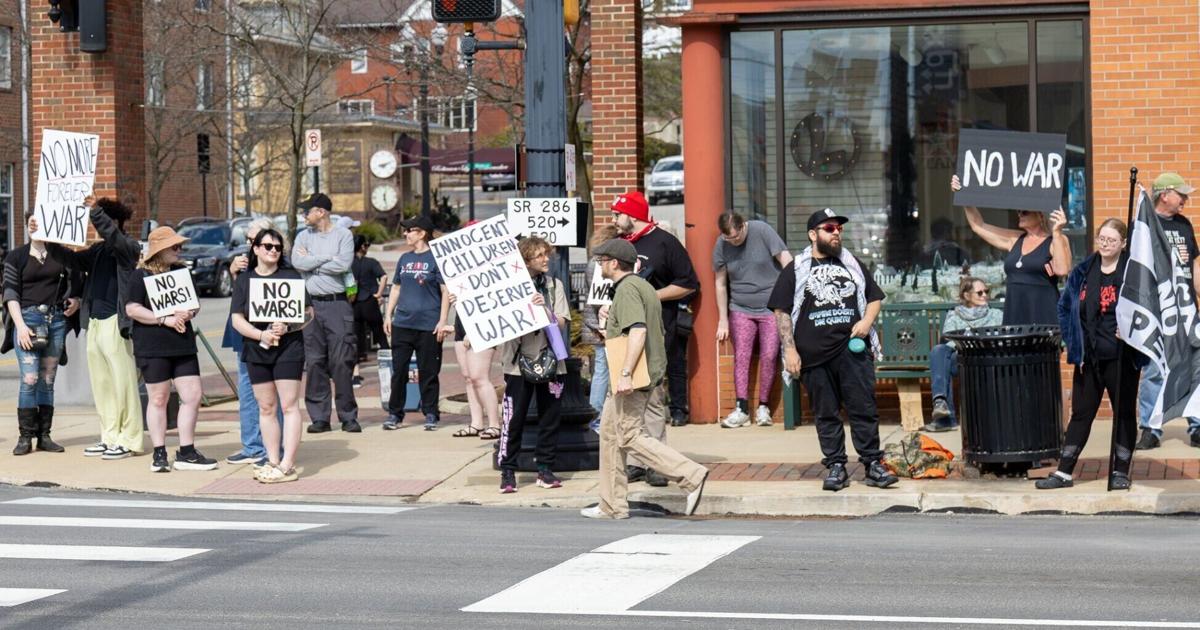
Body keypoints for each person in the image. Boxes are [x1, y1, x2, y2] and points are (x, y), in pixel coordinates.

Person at [768, 208, 899, 492]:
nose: (836, 232)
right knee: (826, 413)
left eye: (839, 228)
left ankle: (872, 465)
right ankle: (837, 466)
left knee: (863, 409)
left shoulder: (851, 264)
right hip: (814, 356)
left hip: (852, 352)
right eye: (829, 228)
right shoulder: (797, 268)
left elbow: (874, 297)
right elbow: (781, 311)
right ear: (813, 234)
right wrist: (790, 351)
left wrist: (866, 322)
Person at [581, 238, 708, 519]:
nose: (599, 264)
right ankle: (612, 505)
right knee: (611, 434)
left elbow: (637, 331)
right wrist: (609, 320)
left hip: (632, 375)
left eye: (602, 260)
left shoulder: (627, 290)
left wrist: (625, 373)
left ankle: (691, 475)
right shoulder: (641, 287)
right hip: (638, 372)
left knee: (628, 435)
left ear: (614, 263)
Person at [38, 197, 144, 459]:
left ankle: (129, 440)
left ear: (115, 221)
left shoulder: (128, 247)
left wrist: (95, 210)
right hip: (95, 322)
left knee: (123, 384)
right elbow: (70, 260)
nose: (97, 226)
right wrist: (48, 237)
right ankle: (109, 436)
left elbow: (114, 237)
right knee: (102, 384)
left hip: (115, 324)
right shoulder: (97, 251)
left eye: (102, 220)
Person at [1037, 219, 1139, 490]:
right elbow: (1064, 309)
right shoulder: (1083, 271)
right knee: (1081, 414)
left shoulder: (1133, 273)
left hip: (1121, 357)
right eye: (1101, 239)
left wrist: (1131, 330)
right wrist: (1074, 346)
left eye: (1111, 240)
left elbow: (1147, 310)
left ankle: (1120, 471)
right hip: (1089, 358)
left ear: (1123, 244)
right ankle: (1064, 472)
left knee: (1124, 414)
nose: (1105, 244)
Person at [611, 190, 697, 487]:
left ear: (632, 215)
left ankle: (657, 464)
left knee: (653, 398)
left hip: (657, 330)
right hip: (625, 332)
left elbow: (688, 283)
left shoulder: (664, 242)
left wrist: (650, 297)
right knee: (629, 397)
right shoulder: (622, 245)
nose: (613, 219)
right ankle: (636, 461)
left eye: (617, 213)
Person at [125, 227, 214, 472]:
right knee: (159, 398)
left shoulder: (181, 272)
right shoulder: (139, 276)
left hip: (182, 343)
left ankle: (187, 451)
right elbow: (132, 309)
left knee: (193, 396)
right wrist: (163, 318)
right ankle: (159, 452)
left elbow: (194, 304)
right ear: (160, 250)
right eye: (174, 247)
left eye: (179, 246)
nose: (179, 250)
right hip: (152, 344)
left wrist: (190, 312)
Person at [230, 229, 307, 483]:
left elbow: (308, 313)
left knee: (289, 405)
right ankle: (272, 460)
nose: (273, 250)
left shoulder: (291, 277)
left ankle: (287, 465)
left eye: (277, 247)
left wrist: (288, 326)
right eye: (267, 246)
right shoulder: (245, 280)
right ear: (256, 249)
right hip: (257, 350)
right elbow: (237, 318)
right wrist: (259, 335)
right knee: (266, 407)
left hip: (289, 349)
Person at [494, 237, 570, 493]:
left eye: (546, 254)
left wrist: (545, 310)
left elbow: (561, 322)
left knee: (550, 417)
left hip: (550, 360)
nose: (545, 259)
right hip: (517, 363)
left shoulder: (553, 286)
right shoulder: (509, 287)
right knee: (513, 418)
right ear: (525, 259)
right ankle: (507, 471)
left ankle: (545, 469)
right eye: (538, 255)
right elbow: (495, 319)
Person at [3, 212, 82, 455]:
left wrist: (76, 300)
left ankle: (44, 436)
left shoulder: (61, 254)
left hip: (56, 319)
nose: (35, 226)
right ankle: (25, 437)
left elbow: (78, 282)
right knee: (29, 379)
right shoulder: (16, 257)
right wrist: (20, 326)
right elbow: (10, 294)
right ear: (27, 226)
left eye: (40, 222)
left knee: (47, 380)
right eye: (31, 223)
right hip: (27, 319)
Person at [1135, 172, 1200, 451]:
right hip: (1158, 308)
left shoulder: (1184, 224)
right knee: (1154, 369)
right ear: (1165, 195)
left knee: (1195, 366)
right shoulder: (1146, 224)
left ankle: (1197, 425)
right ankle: (1150, 428)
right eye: (1181, 194)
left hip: (1186, 308)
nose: (1185, 199)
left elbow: (1195, 264)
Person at [952, 175, 1071, 325]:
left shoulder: (1056, 240)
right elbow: (978, 226)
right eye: (1019, 211)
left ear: (1040, 215)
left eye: (1025, 212)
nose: (1020, 214)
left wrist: (1057, 232)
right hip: (1016, 309)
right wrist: (964, 195)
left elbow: (1062, 270)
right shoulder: (1015, 239)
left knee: (1042, 348)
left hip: (1043, 309)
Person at [712, 210, 793, 428]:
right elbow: (720, 283)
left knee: (769, 354)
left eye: (736, 237)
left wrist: (790, 295)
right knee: (742, 356)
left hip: (770, 307)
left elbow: (786, 260)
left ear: (744, 226)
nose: (733, 242)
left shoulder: (762, 230)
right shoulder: (722, 244)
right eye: (728, 238)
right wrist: (722, 319)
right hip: (740, 306)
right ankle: (741, 408)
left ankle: (763, 407)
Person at [291, 193, 360, 433]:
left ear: (321, 212)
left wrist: (312, 261)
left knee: (342, 360)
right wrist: (325, 259)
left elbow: (343, 265)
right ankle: (320, 417)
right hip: (310, 305)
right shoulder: (302, 236)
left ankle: (348, 415)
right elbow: (297, 263)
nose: (304, 215)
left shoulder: (343, 235)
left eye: (307, 211)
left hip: (337, 304)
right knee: (315, 361)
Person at [222, 218, 283, 466]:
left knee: (270, 394)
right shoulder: (244, 265)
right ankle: (252, 445)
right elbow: (239, 300)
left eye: (255, 239)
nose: (251, 244)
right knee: (247, 392)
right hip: (244, 334)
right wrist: (233, 272)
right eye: (248, 240)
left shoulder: (276, 266)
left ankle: (273, 447)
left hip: (269, 336)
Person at [383, 214, 450, 431]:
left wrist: (442, 321)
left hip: (428, 325)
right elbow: (396, 287)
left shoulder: (436, 259)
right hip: (402, 323)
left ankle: (430, 413)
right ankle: (395, 413)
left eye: (409, 230)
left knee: (428, 372)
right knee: (399, 371)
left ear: (421, 233)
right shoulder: (404, 259)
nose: (405, 233)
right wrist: (388, 315)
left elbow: (445, 291)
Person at [923, 277, 1003, 432]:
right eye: (979, 292)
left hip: (986, 358)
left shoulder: (996, 314)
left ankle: (946, 421)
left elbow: (996, 339)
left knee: (943, 361)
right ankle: (940, 401)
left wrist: (967, 340)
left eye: (986, 291)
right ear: (967, 296)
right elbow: (949, 339)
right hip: (961, 357)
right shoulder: (954, 315)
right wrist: (968, 342)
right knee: (939, 351)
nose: (984, 295)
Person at [582, 225, 621, 434]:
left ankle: (597, 416)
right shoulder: (599, 265)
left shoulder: (593, 262)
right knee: (603, 371)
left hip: (596, 324)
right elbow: (600, 297)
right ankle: (596, 418)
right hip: (601, 325)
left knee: (601, 370)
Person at [351, 235, 388, 389]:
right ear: (362, 247)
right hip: (370, 302)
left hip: (353, 304)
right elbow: (384, 276)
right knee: (379, 334)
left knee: (355, 339)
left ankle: (355, 374)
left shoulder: (347, 264)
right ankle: (390, 365)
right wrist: (379, 293)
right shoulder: (371, 262)